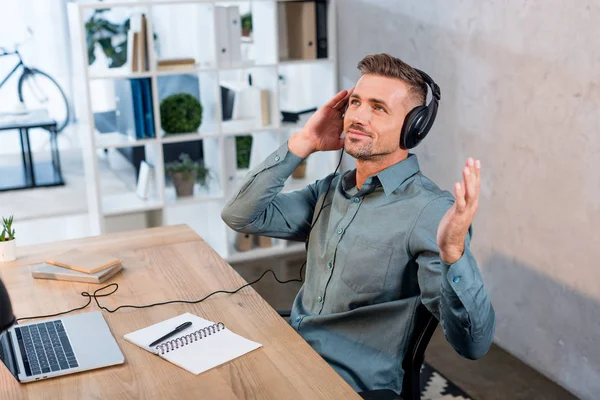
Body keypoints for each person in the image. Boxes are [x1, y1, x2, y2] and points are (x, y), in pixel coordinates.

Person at [221, 53, 495, 395]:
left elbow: (474, 344)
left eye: (378, 108)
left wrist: (454, 254)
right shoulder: (330, 191)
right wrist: (303, 142)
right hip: (293, 350)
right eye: (355, 102)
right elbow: (240, 214)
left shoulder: (429, 211)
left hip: (349, 384)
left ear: (414, 128)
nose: (358, 117)